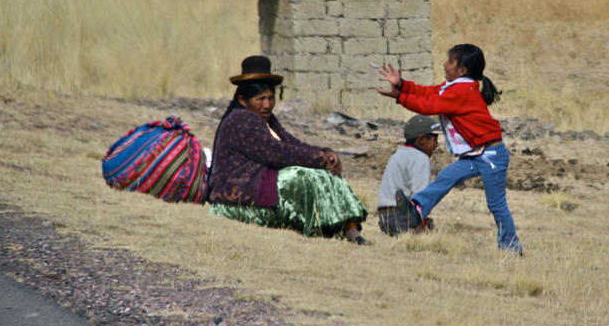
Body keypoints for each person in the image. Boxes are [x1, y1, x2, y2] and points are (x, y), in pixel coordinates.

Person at [376, 44, 523, 254]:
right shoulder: (454, 87)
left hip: (490, 155)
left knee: (496, 204)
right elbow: (429, 92)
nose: (445, 64)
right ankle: (416, 208)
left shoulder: (462, 91)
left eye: (450, 62)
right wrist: (402, 85)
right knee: (446, 176)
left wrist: (400, 96)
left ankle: (512, 247)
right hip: (475, 155)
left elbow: (429, 106)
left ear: (462, 70)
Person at [208, 55, 368, 244]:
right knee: (302, 176)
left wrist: (326, 153)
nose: (267, 104)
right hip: (237, 198)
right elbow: (276, 153)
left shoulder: (265, 119)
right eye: (260, 99)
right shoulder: (241, 120)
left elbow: (291, 143)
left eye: (270, 98)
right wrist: (319, 159)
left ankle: (350, 227)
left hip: (258, 186)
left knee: (326, 172)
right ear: (243, 100)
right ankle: (318, 226)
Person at [376, 115, 441, 236]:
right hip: (401, 216)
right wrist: (421, 225)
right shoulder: (421, 158)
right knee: (432, 232)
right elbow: (420, 198)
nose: (437, 145)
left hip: (384, 217)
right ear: (422, 139)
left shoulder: (397, 154)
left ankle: (390, 233)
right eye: (434, 139)